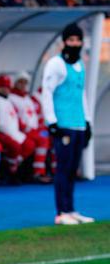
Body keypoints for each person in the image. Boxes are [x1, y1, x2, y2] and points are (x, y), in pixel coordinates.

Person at [42, 23, 93, 224]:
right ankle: (61, 212)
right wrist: (52, 122)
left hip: (78, 122)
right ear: (64, 42)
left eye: (77, 40)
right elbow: (47, 92)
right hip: (64, 123)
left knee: (73, 169)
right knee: (63, 168)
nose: (75, 43)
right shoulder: (56, 64)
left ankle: (71, 209)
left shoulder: (80, 65)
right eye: (71, 40)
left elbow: (82, 96)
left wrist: (87, 121)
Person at [9, 72, 50, 183]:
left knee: (49, 136)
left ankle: (51, 170)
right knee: (42, 140)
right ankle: (38, 172)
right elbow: (14, 116)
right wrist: (26, 128)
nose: (23, 85)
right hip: (22, 130)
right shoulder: (12, 98)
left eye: (25, 83)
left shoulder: (26, 98)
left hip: (34, 129)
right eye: (20, 82)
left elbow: (34, 115)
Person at [0, 74, 33, 184]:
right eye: (3, 87)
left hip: (13, 131)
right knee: (15, 146)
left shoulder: (8, 100)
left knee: (29, 144)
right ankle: (10, 171)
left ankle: (15, 165)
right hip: (1, 131)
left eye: (7, 87)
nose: (5, 90)